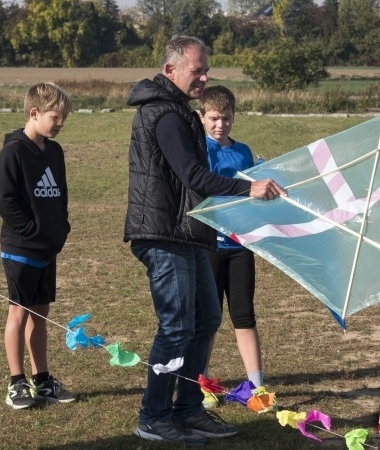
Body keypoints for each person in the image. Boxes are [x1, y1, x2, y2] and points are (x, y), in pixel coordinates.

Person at [124, 36, 287, 445]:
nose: (204, 77)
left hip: (189, 232)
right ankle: (153, 416)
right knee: (177, 325)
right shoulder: (164, 115)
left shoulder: (179, 111)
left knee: (207, 318)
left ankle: (189, 410)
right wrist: (247, 188)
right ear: (170, 70)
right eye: (197, 71)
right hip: (164, 233)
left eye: (206, 70)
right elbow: (192, 175)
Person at [0, 82, 77, 410]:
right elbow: (5, 200)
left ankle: (41, 380)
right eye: (55, 117)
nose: (60, 124)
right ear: (34, 113)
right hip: (21, 248)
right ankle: (16, 383)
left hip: (47, 248)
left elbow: (61, 196)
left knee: (40, 312)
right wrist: (31, 232)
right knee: (19, 311)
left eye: (63, 119)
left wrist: (60, 228)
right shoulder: (14, 151)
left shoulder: (54, 152)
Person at [198, 85, 271, 409]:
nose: (220, 125)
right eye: (214, 118)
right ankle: (201, 384)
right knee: (208, 319)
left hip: (241, 245)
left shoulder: (243, 152)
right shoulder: (198, 150)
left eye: (226, 118)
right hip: (209, 244)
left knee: (244, 314)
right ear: (202, 117)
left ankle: (258, 387)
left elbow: (253, 192)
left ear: (234, 117)